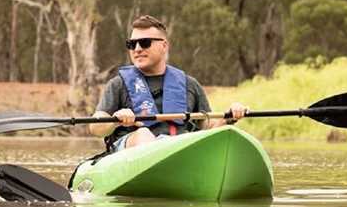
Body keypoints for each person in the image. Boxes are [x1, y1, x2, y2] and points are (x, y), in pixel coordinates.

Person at [90, 15, 248, 152]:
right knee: (143, 134)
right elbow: (96, 126)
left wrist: (228, 117)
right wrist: (115, 119)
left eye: (145, 43)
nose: (137, 49)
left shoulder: (190, 84)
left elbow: (208, 127)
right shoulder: (118, 84)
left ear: (164, 45)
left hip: (179, 148)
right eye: (132, 44)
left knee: (214, 134)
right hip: (132, 149)